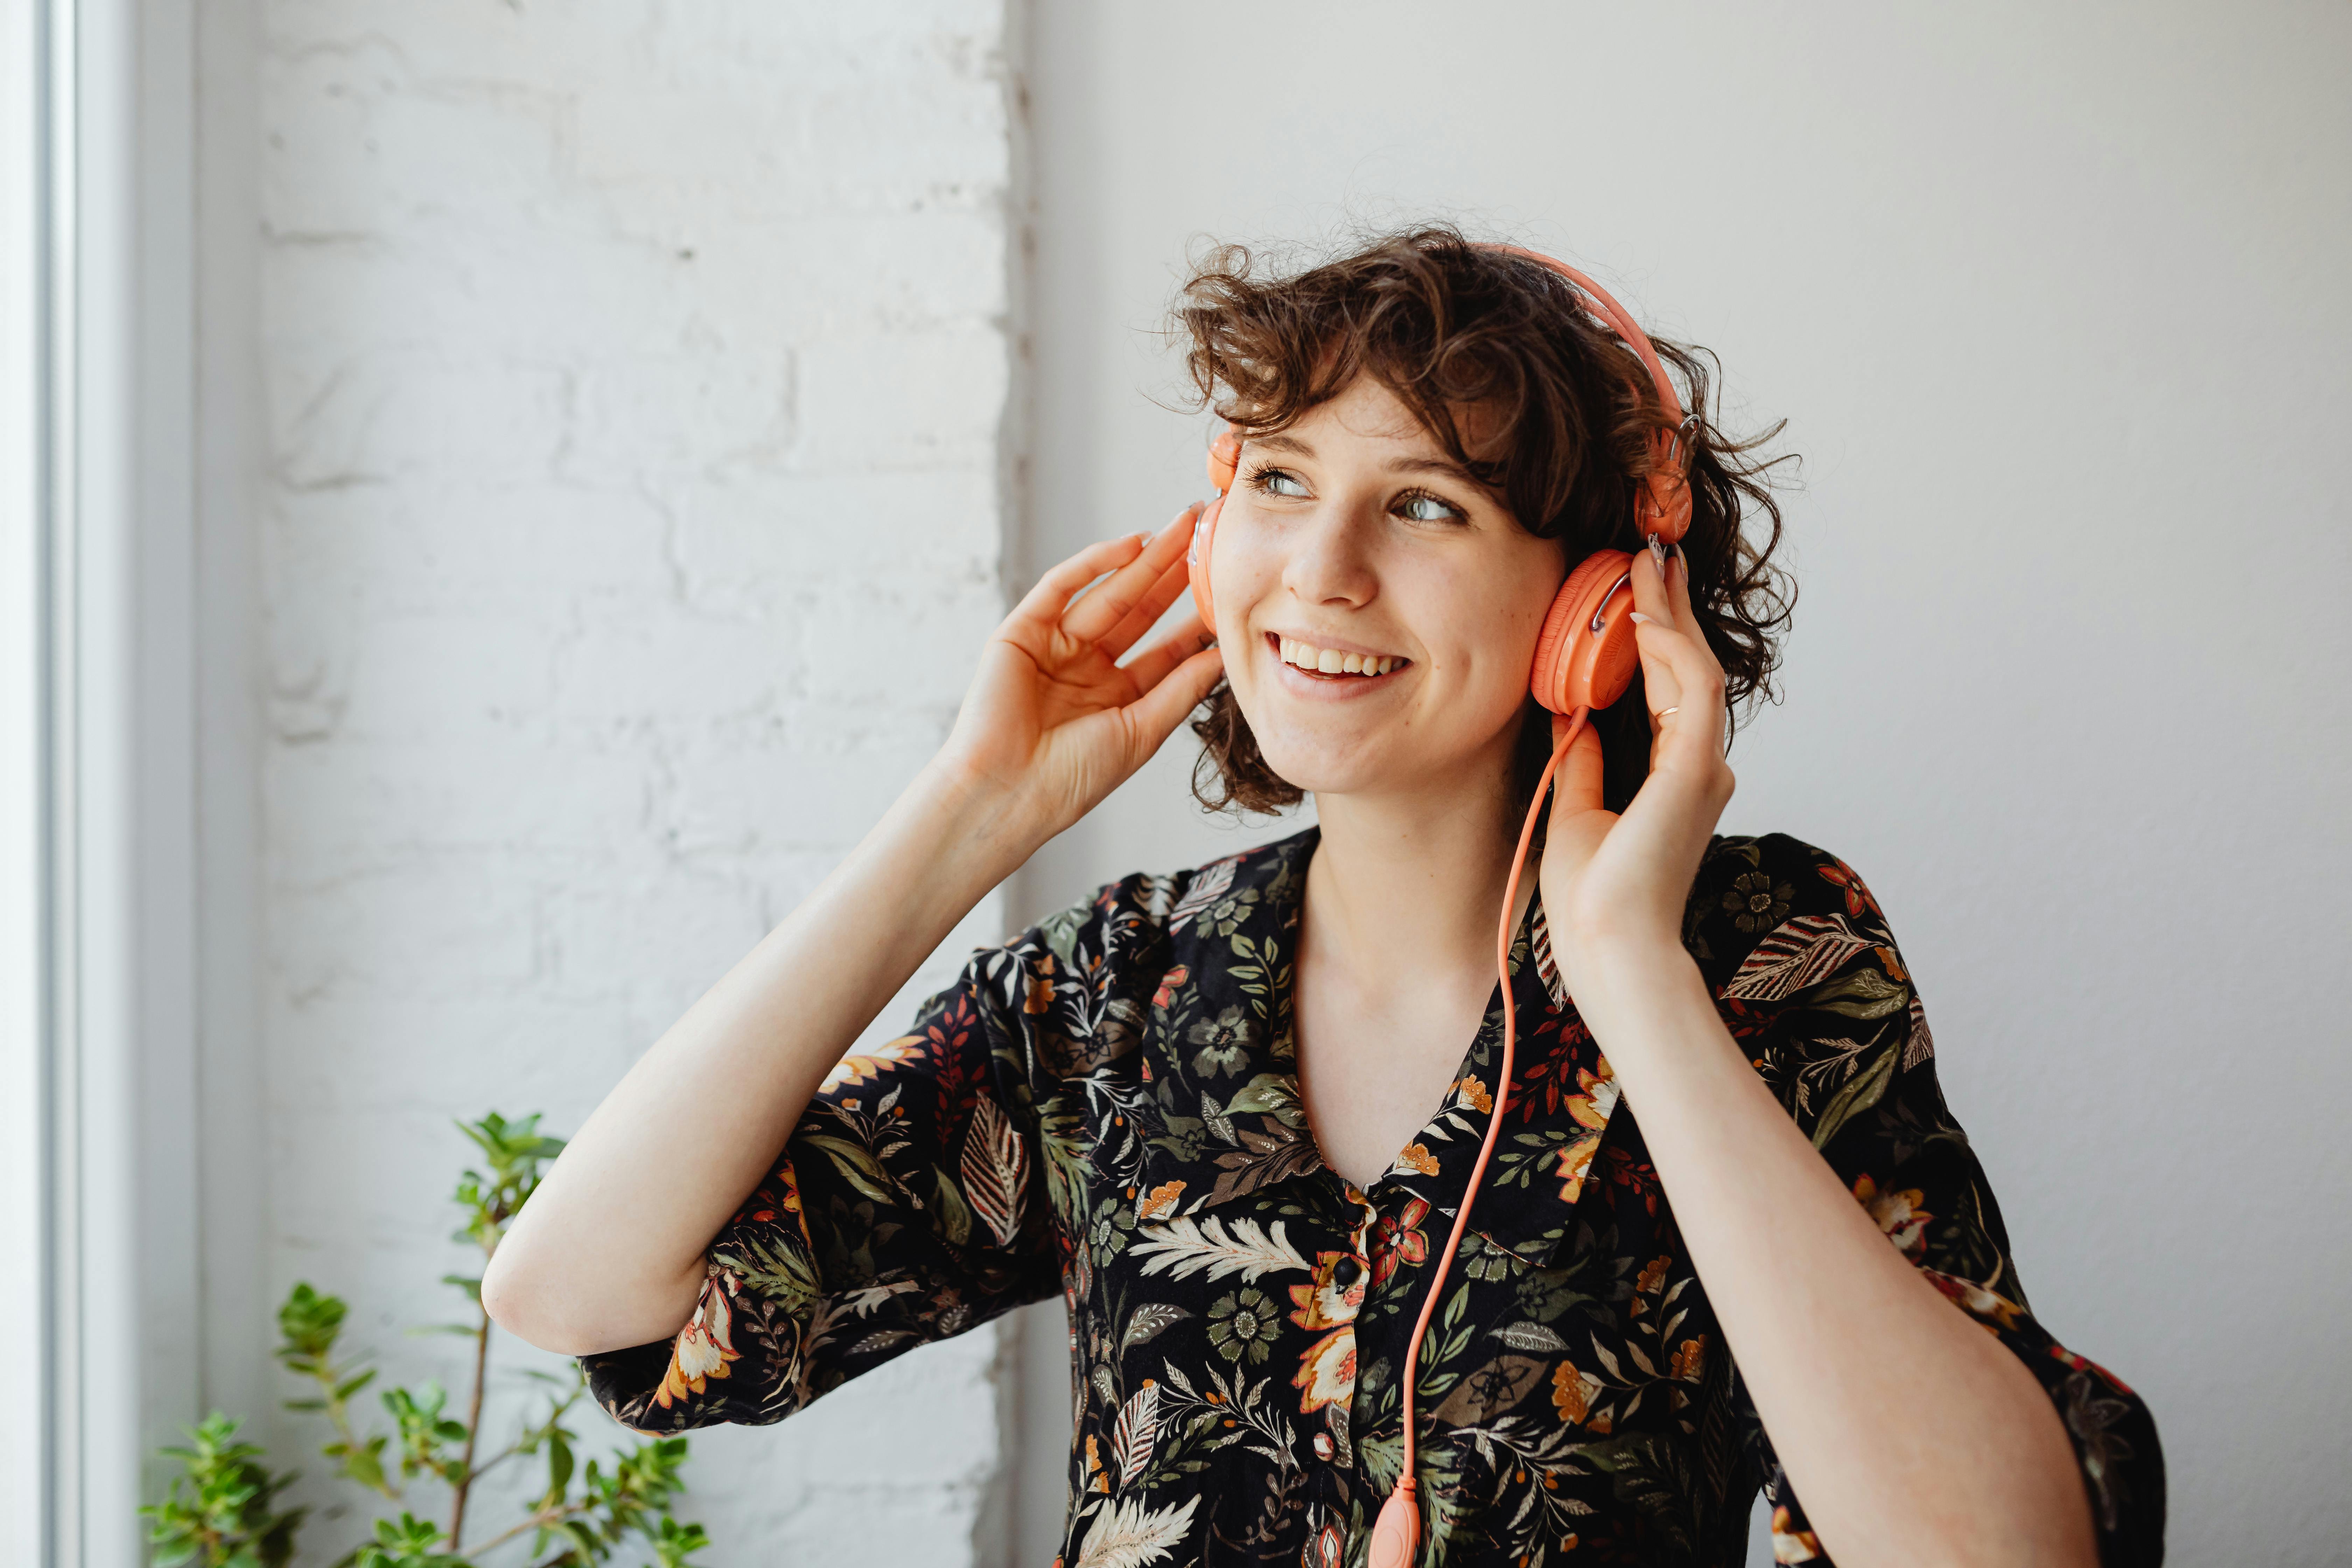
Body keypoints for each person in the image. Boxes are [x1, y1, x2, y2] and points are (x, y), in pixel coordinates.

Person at [481, 227, 2163, 1567]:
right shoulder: (1121, 992)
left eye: (1424, 504)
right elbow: (576, 1289)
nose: (1323, 568)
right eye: (1281, 480)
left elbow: (1999, 1548)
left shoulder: (1765, 962)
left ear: (1598, 608)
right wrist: (967, 815)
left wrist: (1632, 976)